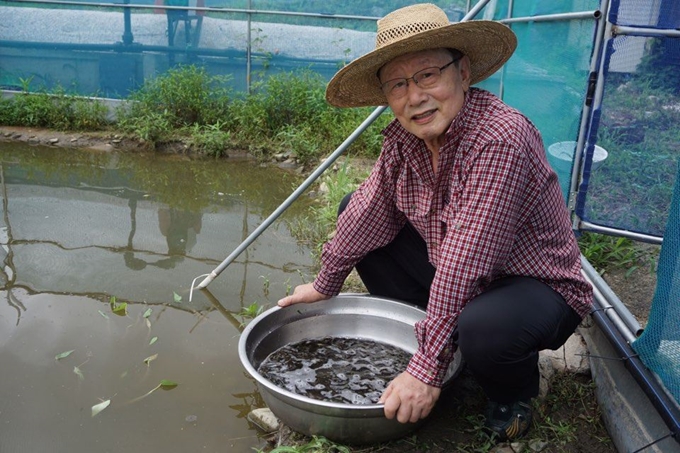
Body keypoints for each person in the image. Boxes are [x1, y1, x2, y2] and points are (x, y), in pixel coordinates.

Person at [277, 3, 593, 442]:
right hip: (463, 274)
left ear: (462, 72)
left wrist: (424, 370)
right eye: (398, 84)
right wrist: (325, 283)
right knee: (355, 208)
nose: (415, 97)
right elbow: (368, 211)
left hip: (534, 285)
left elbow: (468, 258)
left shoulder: (500, 139)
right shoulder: (405, 139)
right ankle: (447, 345)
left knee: (485, 328)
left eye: (428, 75)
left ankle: (512, 393)